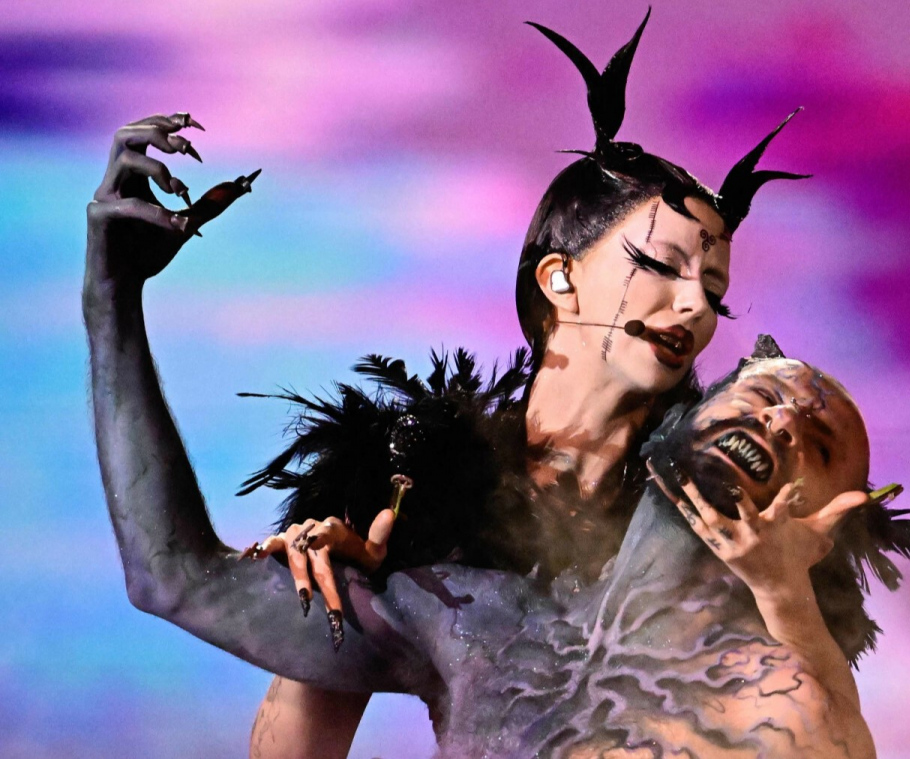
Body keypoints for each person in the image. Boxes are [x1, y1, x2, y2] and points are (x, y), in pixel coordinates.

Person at [225, 12, 819, 757]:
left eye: (715, 290)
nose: (696, 306)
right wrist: (323, 607)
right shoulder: (410, 480)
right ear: (559, 278)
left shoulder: (722, 502)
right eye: (661, 266)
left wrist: (786, 596)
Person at [89, 300, 910, 756]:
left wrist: (784, 597)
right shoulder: (477, 615)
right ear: (688, 413)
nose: (781, 422)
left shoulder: (778, 694)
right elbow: (172, 575)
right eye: (763, 396)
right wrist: (112, 299)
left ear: (826, 526)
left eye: (817, 443)